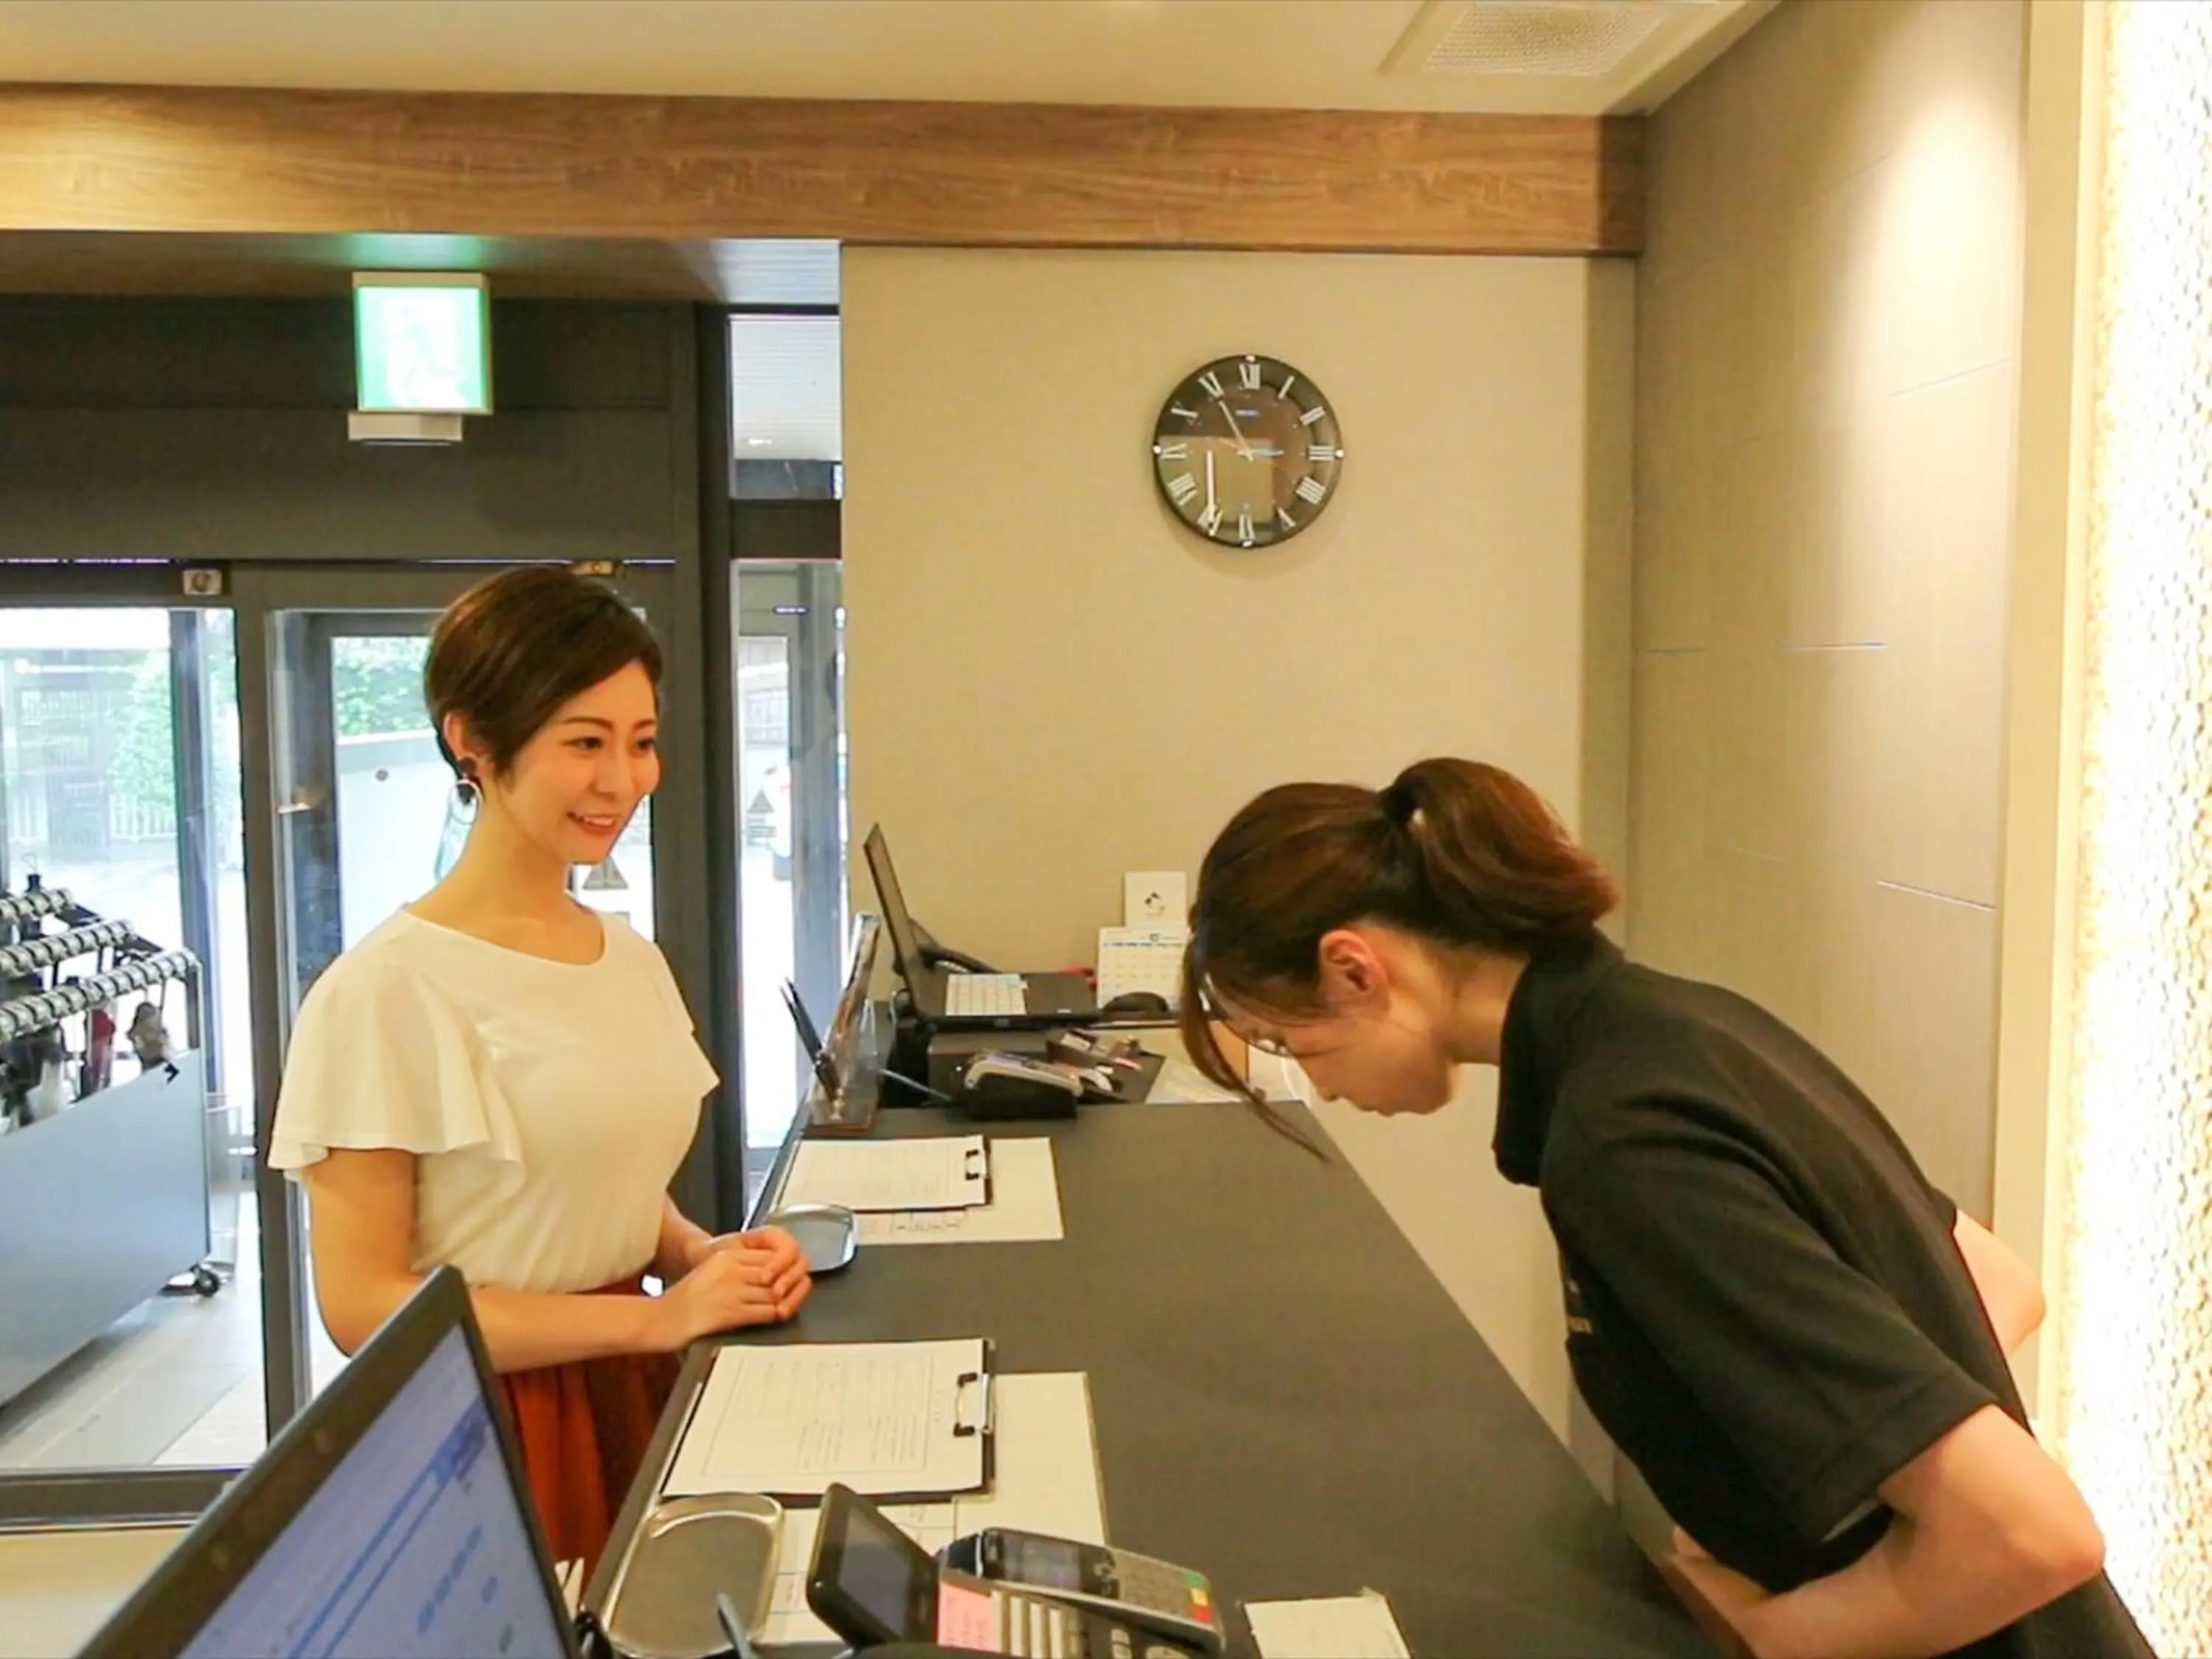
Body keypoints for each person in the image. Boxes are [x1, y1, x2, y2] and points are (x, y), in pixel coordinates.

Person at [1176, 757, 2150, 1659]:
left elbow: (2034, 1534)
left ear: (1354, 968)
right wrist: (1759, 1458)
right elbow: (1994, 1281)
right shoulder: (1685, 1024)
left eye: (1291, 1043)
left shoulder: (1625, 1142)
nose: (1319, 1083)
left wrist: (1779, 1630)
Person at [269, 566, 811, 1573]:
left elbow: (595, 1179)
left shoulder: (624, 954)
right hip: (498, 1418)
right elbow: (361, 1305)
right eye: (584, 742)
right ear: (471, 740)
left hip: (637, 1380)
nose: (623, 780)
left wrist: (701, 1254)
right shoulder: (384, 989)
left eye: (641, 742)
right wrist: (653, 1314)